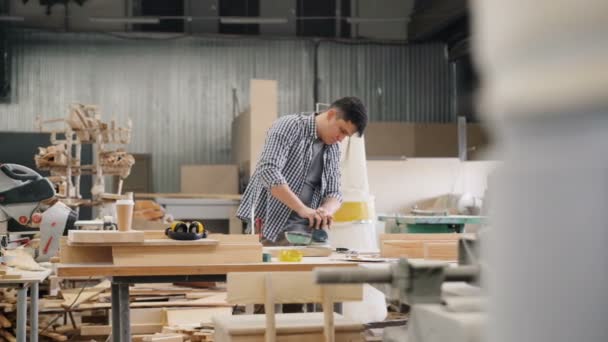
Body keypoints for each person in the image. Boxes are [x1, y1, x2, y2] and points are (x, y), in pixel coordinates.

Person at [236, 97, 368, 246]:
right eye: (342, 130)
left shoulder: (333, 147)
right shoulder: (289, 126)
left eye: (346, 136)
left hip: (306, 231)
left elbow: (334, 193)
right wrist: (302, 209)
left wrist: (326, 210)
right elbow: (268, 170)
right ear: (331, 114)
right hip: (270, 226)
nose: (341, 139)